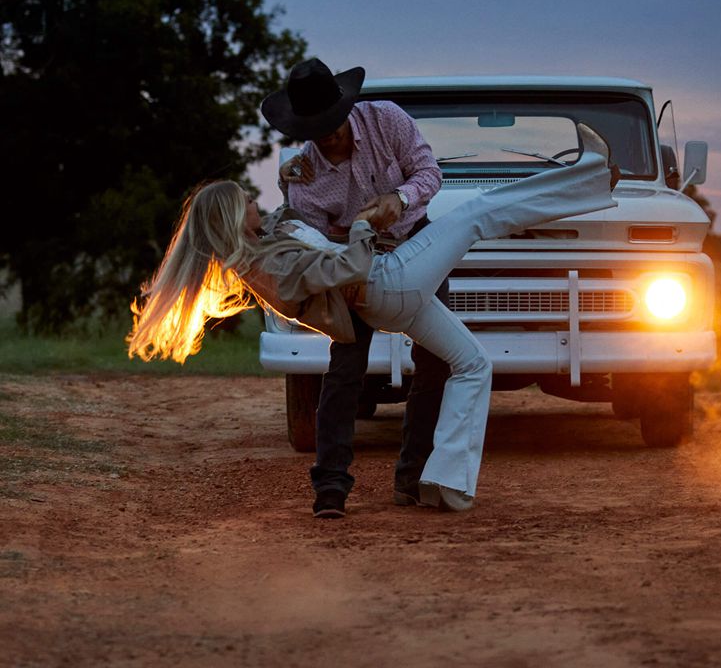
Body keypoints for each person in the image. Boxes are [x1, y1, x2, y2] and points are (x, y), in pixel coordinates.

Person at [127, 124, 618, 518]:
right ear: (236, 217)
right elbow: (346, 267)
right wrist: (364, 226)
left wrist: (291, 182)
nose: (256, 201)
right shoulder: (267, 263)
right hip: (389, 278)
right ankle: (591, 177)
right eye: (247, 200)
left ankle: (443, 484)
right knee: (478, 213)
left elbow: (297, 223)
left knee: (472, 363)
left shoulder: (265, 242)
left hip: (389, 294)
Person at [261, 57, 450, 514]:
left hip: (416, 241)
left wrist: (398, 198)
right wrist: (342, 273)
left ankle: (415, 476)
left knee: (436, 360)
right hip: (348, 260)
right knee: (345, 366)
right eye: (315, 127)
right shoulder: (304, 178)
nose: (328, 134)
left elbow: (430, 173)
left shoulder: (387, 119)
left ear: (346, 106)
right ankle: (330, 486)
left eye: (332, 122)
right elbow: (313, 238)